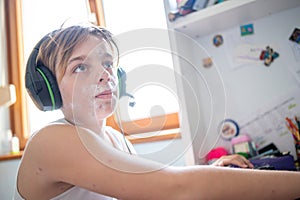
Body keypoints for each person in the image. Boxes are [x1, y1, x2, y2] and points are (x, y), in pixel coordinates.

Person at [15, 23, 300, 200]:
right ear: (48, 88)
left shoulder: (116, 139)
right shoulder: (51, 140)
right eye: (80, 67)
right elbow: (175, 189)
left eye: (107, 62)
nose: (104, 75)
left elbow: (153, 191)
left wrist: (211, 174)